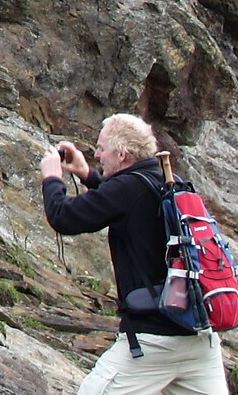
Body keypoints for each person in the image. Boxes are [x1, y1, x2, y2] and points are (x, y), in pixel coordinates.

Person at [41, 115, 225, 395]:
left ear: (122, 153)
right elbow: (126, 201)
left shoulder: (127, 188)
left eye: (102, 148)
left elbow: (63, 217)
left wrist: (52, 178)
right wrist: (88, 174)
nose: (97, 154)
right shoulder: (170, 180)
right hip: (199, 340)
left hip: (152, 342)